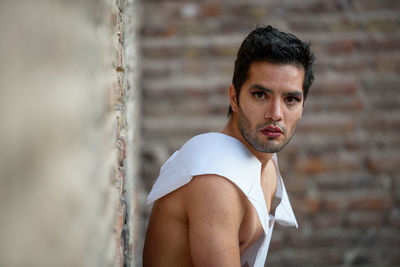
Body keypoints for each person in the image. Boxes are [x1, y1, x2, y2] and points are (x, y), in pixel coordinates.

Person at [143, 25, 315, 267]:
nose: (275, 114)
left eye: (290, 100)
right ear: (234, 98)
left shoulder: (264, 162)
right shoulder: (216, 181)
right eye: (260, 95)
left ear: (303, 106)